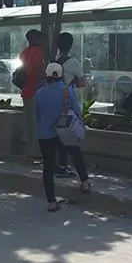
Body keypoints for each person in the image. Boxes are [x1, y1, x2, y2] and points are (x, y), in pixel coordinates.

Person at [35, 62, 91, 212]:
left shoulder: (39, 93)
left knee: (48, 167)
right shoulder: (67, 91)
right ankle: (84, 182)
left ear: (46, 76)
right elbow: (78, 113)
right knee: (75, 153)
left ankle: (51, 202)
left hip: (46, 134)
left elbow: (37, 115)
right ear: (61, 76)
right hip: (65, 131)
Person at [54, 32, 87, 178]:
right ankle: (65, 167)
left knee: (58, 135)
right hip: (67, 103)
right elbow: (82, 82)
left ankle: (60, 165)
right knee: (68, 136)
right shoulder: (73, 62)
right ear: (71, 45)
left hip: (54, 101)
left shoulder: (53, 59)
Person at [20, 29, 46, 160]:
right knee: (37, 123)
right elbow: (37, 71)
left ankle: (29, 150)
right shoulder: (37, 52)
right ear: (35, 39)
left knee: (29, 122)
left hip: (25, 91)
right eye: (40, 38)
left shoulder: (25, 52)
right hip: (35, 90)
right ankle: (35, 150)